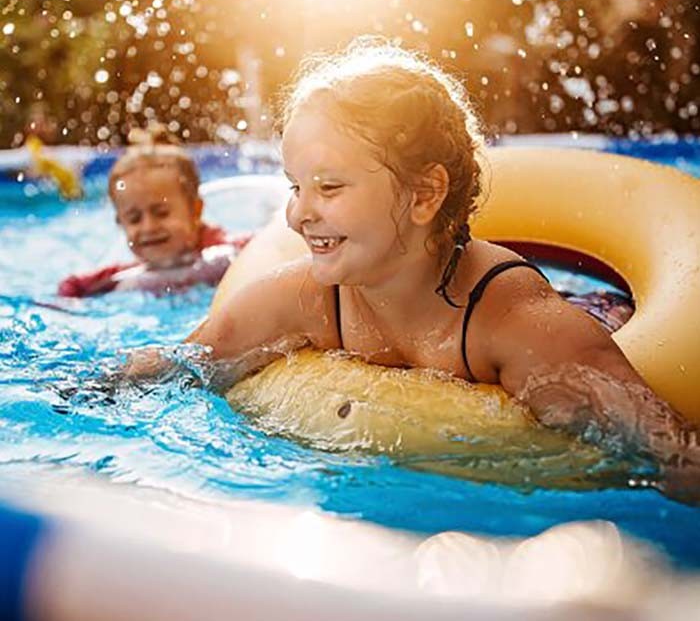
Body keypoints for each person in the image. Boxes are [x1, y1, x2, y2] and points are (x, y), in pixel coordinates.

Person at [135, 39, 698, 498]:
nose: (299, 213)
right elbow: (179, 363)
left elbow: (668, 453)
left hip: (593, 309)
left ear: (425, 193)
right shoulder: (303, 298)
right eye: (295, 186)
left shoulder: (515, 323)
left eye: (328, 186)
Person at [58, 125, 250, 298]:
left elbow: (260, 247)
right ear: (120, 224)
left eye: (161, 213)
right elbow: (71, 285)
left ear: (195, 212)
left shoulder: (224, 249)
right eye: (134, 219)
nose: (148, 227)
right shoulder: (132, 271)